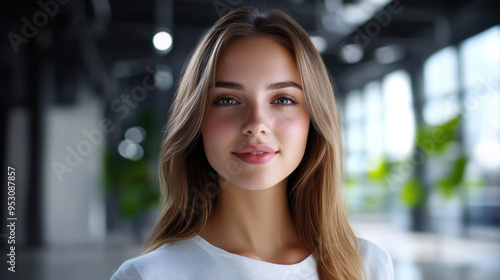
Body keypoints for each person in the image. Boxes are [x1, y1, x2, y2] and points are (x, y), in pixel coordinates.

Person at [111, 6, 393, 280]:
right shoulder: (146, 275)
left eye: (283, 99)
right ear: (196, 121)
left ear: (314, 120)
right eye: (227, 100)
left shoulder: (368, 267)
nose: (256, 124)